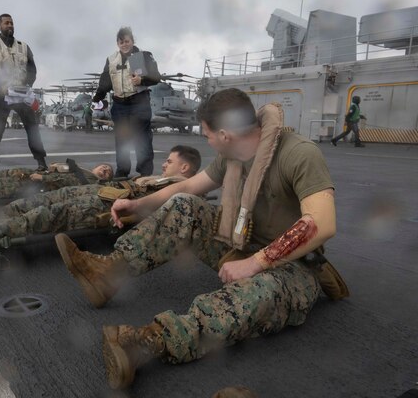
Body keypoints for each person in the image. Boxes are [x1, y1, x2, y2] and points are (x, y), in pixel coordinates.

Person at [54, 88, 349, 389]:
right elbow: (190, 187)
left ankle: (147, 344)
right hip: (240, 244)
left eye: (207, 134)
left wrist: (255, 264)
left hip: (293, 266)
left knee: (262, 291)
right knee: (186, 207)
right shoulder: (233, 156)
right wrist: (137, 205)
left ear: (224, 135)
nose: (206, 140)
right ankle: (106, 275)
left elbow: (321, 224)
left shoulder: (298, 153)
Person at [0, 146, 200, 250]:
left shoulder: (183, 186)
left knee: (30, 220)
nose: (165, 164)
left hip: (102, 206)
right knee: (20, 206)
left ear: (184, 167)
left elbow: (155, 207)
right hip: (93, 193)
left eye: (170, 161)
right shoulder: (167, 181)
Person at [0, 13, 48, 177]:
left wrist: (28, 84)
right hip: (1, 95)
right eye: (6, 23)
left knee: (33, 128)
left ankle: (41, 162)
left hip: (21, 95)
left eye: (11, 23)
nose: (10, 25)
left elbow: (32, 68)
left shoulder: (23, 46)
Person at [93, 27, 161, 178]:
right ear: (117, 43)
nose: (124, 44)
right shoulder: (111, 60)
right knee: (122, 140)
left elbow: (156, 77)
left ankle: (144, 173)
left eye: (127, 41)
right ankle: (122, 171)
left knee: (142, 138)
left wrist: (142, 79)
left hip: (139, 102)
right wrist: (97, 97)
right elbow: (105, 81)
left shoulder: (142, 56)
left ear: (132, 41)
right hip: (119, 105)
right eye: (121, 42)